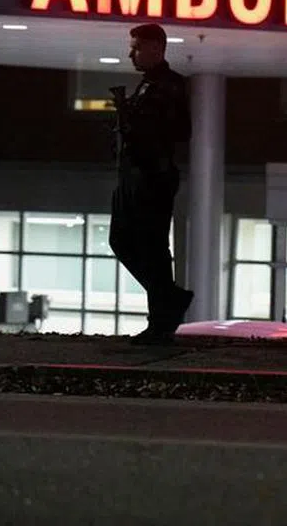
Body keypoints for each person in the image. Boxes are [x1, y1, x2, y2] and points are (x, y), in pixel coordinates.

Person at [109, 23, 194, 344]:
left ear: (156, 49)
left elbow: (176, 132)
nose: (131, 53)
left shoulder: (169, 86)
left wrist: (139, 128)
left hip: (152, 176)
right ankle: (168, 299)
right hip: (135, 174)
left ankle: (162, 316)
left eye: (136, 47)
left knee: (151, 247)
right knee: (125, 241)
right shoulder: (149, 85)